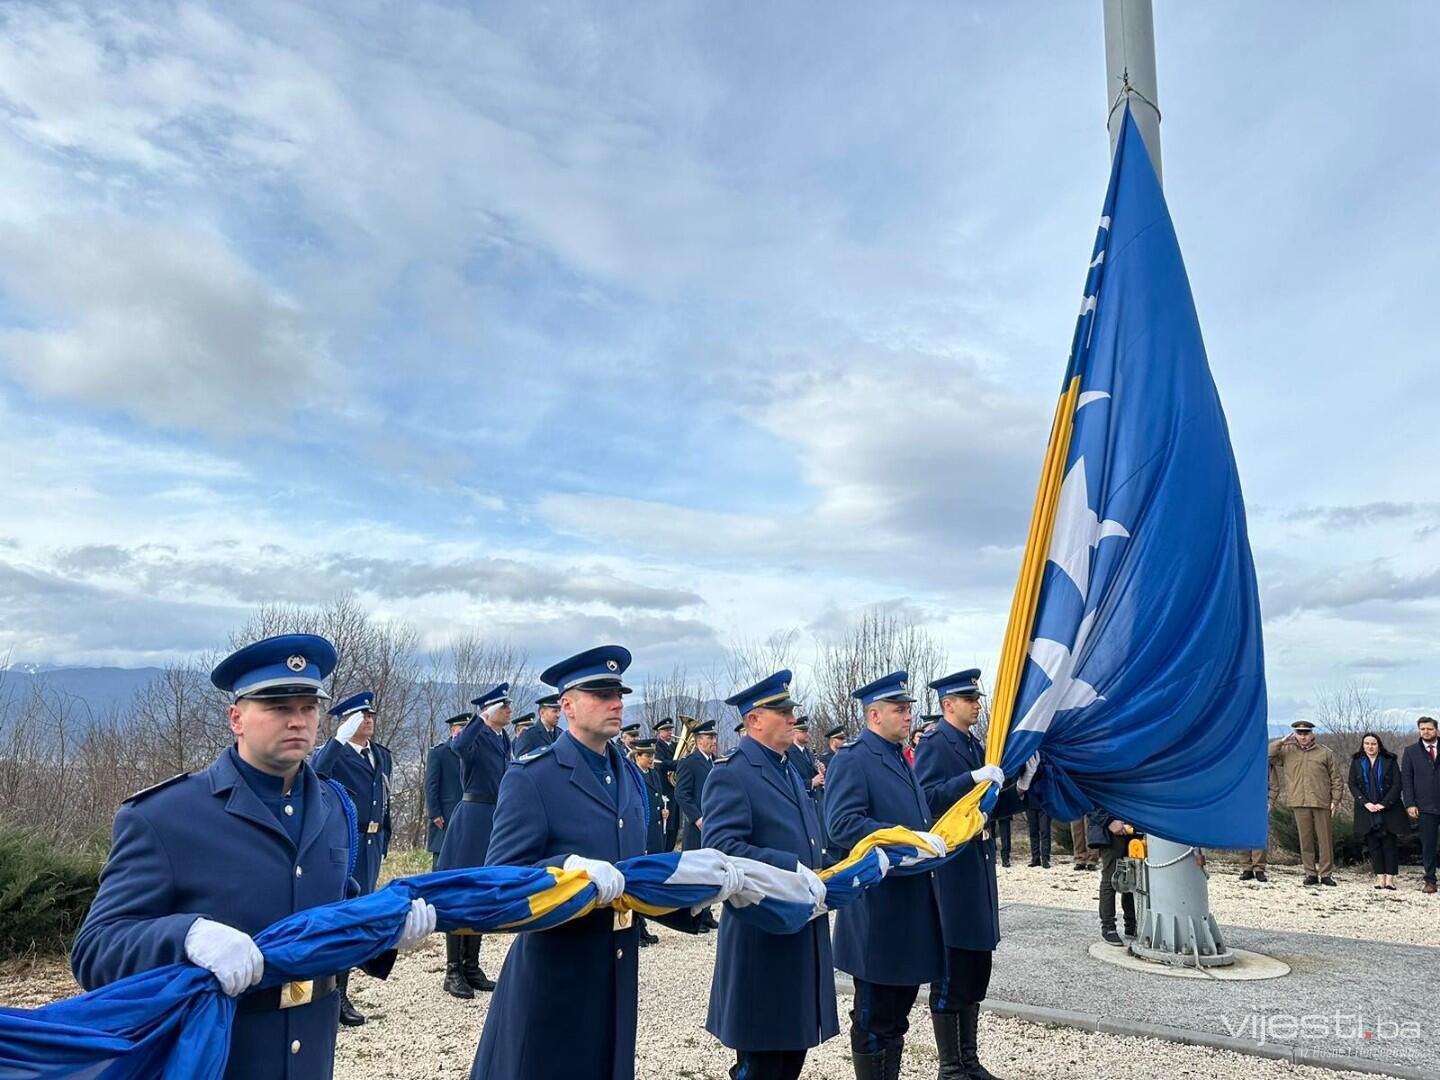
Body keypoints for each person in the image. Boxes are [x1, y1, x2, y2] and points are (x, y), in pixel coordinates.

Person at [71, 634, 434, 1080]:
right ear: (236, 718)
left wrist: (385, 930)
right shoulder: (167, 816)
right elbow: (95, 949)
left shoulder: (335, 805)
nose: (298, 721)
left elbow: (337, 909)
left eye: (308, 707)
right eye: (279, 707)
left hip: (313, 1049)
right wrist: (187, 936)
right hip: (218, 1055)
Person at [470, 645, 710, 1080]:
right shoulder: (532, 776)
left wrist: (690, 895)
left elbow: (632, 869)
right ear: (567, 705)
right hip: (556, 970)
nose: (616, 702)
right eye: (600, 694)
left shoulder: (629, 773)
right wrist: (570, 865)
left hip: (616, 964)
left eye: (618, 694)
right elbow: (501, 877)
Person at [701, 671, 835, 1080]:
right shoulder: (733, 772)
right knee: (761, 1060)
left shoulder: (787, 767)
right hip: (762, 933)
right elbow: (722, 849)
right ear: (754, 720)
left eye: (791, 709)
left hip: (800, 926)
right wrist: (790, 867)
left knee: (791, 1052)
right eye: (782, 711)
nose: (791, 717)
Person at [826, 671, 948, 1080]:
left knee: (897, 1015)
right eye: (900, 709)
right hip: (877, 909)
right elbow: (841, 824)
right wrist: (902, 839)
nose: (908, 715)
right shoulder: (854, 758)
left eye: (909, 708)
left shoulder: (900, 755)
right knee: (875, 1016)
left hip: (910, 903)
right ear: (874, 715)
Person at [913, 668, 1025, 1080]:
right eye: (969, 699)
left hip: (977, 866)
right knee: (952, 964)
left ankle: (969, 1060)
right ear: (947, 705)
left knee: (976, 963)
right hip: (952, 869)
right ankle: (950, 1066)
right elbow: (926, 799)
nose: (977, 704)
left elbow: (985, 807)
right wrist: (971, 779)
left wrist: (1021, 792)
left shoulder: (974, 743)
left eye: (976, 698)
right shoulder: (937, 744)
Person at [311, 691, 394, 1026]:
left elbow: (383, 796)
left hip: (372, 843)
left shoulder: (381, 755)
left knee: (359, 917)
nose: (369, 720)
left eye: (371, 715)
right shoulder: (336, 754)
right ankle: (335, 996)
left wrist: (385, 837)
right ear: (348, 721)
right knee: (343, 917)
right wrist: (336, 740)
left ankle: (343, 991)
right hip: (346, 842)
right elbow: (315, 773)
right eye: (362, 716)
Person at [435, 683, 513, 992]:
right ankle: (453, 970)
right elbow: (458, 746)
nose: (509, 710)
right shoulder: (476, 736)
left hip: (494, 818)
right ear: (490, 711)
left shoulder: (502, 737)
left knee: (481, 892)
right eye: (503, 706)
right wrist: (480, 718)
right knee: (461, 892)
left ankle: (471, 964)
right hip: (472, 818)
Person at [425, 711, 475, 998]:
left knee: (474, 897)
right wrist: (435, 815)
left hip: (471, 830)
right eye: (460, 729)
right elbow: (431, 786)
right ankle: (452, 968)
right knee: (452, 897)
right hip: (446, 829)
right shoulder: (440, 753)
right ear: (453, 730)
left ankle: (471, 964)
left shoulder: (474, 751)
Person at [1269, 719, 1343, 886]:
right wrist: (1281, 741)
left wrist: (1335, 800)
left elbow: (1336, 779)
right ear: (1295, 733)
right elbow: (1268, 755)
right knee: (1305, 840)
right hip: (1299, 800)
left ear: (1312, 734)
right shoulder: (1286, 751)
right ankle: (1310, 872)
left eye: (1306, 733)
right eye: (1299, 733)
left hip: (1321, 800)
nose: (1303, 736)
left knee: (1325, 840)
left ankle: (1326, 874)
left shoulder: (1325, 753)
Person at [676, 719, 721, 931]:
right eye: (709, 737)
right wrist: (697, 818)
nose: (714, 741)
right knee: (696, 873)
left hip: (713, 824)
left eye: (714, 737)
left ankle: (706, 913)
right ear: (699, 740)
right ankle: (693, 916)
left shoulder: (715, 762)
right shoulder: (689, 762)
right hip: (698, 827)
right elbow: (681, 794)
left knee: (710, 870)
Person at [1348, 732, 1405, 890]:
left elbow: (1397, 784)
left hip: (1388, 809)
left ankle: (1390, 879)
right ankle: (1379, 877)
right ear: (1363, 745)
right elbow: (1352, 784)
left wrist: (1384, 803)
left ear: (1379, 745)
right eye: (1367, 744)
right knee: (1373, 844)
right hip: (1366, 809)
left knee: (1389, 844)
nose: (1370, 747)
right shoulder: (1357, 761)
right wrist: (1365, 803)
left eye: (1373, 744)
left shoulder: (1389, 760)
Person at [631, 737, 666, 946]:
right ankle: (637, 929)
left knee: (646, 881)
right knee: (638, 882)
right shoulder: (633, 775)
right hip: (640, 832)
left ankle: (642, 928)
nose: (652, 759)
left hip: (654, 832)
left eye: (653, 755)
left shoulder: (653, 774)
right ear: (638, 756)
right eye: (648, 756)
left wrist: (663, 812)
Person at [1400, 715, 1440, 894]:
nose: (1426, 732)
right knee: (1428, 845)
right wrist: (1410, 803)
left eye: (1429, 729)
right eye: (1422, 729)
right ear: (1419, 730)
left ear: (1436, 730)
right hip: (1425, 806)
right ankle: (1430, 880)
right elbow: (1406, 779)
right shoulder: (1411, 752)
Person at [1087, 809, 1139, 945]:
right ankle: (1108, 927)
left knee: (1132, 876)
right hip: (1111, 828)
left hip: (1133, 825)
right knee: (1111, 877)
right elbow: (1088, 800)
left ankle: (1131, 925)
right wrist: (1108, 821)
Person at [1240, 756, 1281, 883]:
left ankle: (1259, 869)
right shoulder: (1238, 760)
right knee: (1242, 835)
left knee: (1258, 835)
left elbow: (1274, 785)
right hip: (1240, 802)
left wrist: (1270, 802)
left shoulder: (1265, 761)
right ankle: (1246, 868)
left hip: (1260, 802)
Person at [653, 717, 680, 850]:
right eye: (666, 730)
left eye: (670, 729)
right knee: (666, 823)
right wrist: (678, 764)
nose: (669, 732)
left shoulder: (676, 745)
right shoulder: (657, 746)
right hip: (664, 787)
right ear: (659, 733)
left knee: (674, 823)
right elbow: (660, 764)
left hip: (675, 788)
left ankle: (672, 846)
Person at [512, 693, 562, 758]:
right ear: (542, 712)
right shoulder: (528, 735)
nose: (558, 715)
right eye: (554, 711)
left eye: (559, 711)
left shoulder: (561, 734)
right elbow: (520, 764)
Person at [1026, 803, 1052, 869]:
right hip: (1030, 805)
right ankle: (1035, 858)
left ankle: (1045, 859)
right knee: (1033, 833)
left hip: (1045, 805)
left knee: (1045, 832)